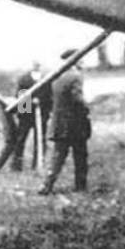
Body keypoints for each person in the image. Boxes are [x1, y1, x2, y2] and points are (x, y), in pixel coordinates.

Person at [40, 54, 91, 193]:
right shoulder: (76, 76)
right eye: (81, 60)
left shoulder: (56, 76)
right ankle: (80, 186)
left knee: (57, 156)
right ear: (75, 60)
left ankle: (46, 185)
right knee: (80, 156)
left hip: (59, 123)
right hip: (75, 124)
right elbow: (77, 99)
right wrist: (88, 107)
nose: (83, 63)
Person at [11, 64, 52, 172]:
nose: (37, 65)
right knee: (21, 139)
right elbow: (20, 95)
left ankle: (37, 164)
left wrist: (41, 102)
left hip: (41, 113)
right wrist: (30, 102)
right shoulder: (24, 79)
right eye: (35, 63)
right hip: (26, 114)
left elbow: (49, 95)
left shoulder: (46, 78)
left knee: (40, 139)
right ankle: (16, 165)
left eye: (38, 63)